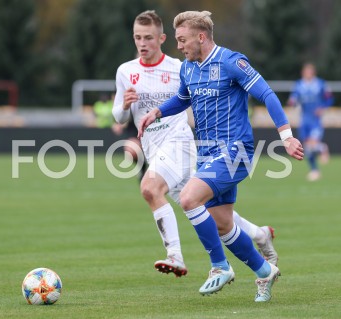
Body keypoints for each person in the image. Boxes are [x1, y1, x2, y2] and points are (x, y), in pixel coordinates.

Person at [138, 11, 303, 302]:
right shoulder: (188, 68)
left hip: (235, 151)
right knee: (222, 223)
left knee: (189, 198)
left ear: (201, 37)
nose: (179, 46)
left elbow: (267, 95)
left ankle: (219, 267)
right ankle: (264, 270)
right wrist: (158, 111)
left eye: (183, 40)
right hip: (207, 153)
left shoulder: (231, 62)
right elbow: (183, 98)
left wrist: (286, 137)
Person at [114, 10, 279, 280]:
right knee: (211, 213)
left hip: (181, 144)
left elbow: (196, 96)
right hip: (157, 150)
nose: (142, 43)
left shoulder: (180, 66)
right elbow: (119, 118)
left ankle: (178, 257)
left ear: (161, 38)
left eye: (148, 37)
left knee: (152, 188)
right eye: (137, 38)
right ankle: (259, 234)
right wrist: (125, 107)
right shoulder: (126, 71)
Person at [287, 62, 333, 181]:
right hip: (304, 120)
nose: (307, 74)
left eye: (309, 71)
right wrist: (292, 102)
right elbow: (294, 97)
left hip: (315, 120)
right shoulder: (299, 85)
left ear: (313, 73)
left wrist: (323, 107)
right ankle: (314, 170)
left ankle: (323, 148)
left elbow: (329, 98)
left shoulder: (320, 84)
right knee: (307, 149)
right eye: (305, 71)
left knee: (313, 143)